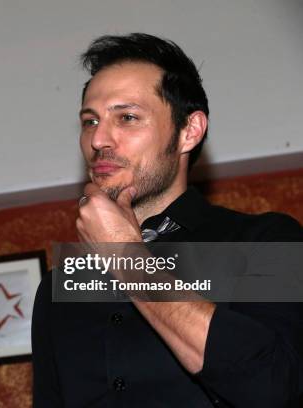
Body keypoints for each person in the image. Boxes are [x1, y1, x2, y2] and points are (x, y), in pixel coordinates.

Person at [31, 33, 303, 407]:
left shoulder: (266, 240)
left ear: (188, 131)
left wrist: (127, 259)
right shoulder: (59, 286)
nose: (99, 139)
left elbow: (271, 387)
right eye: (89, 121)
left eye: (127, 117)